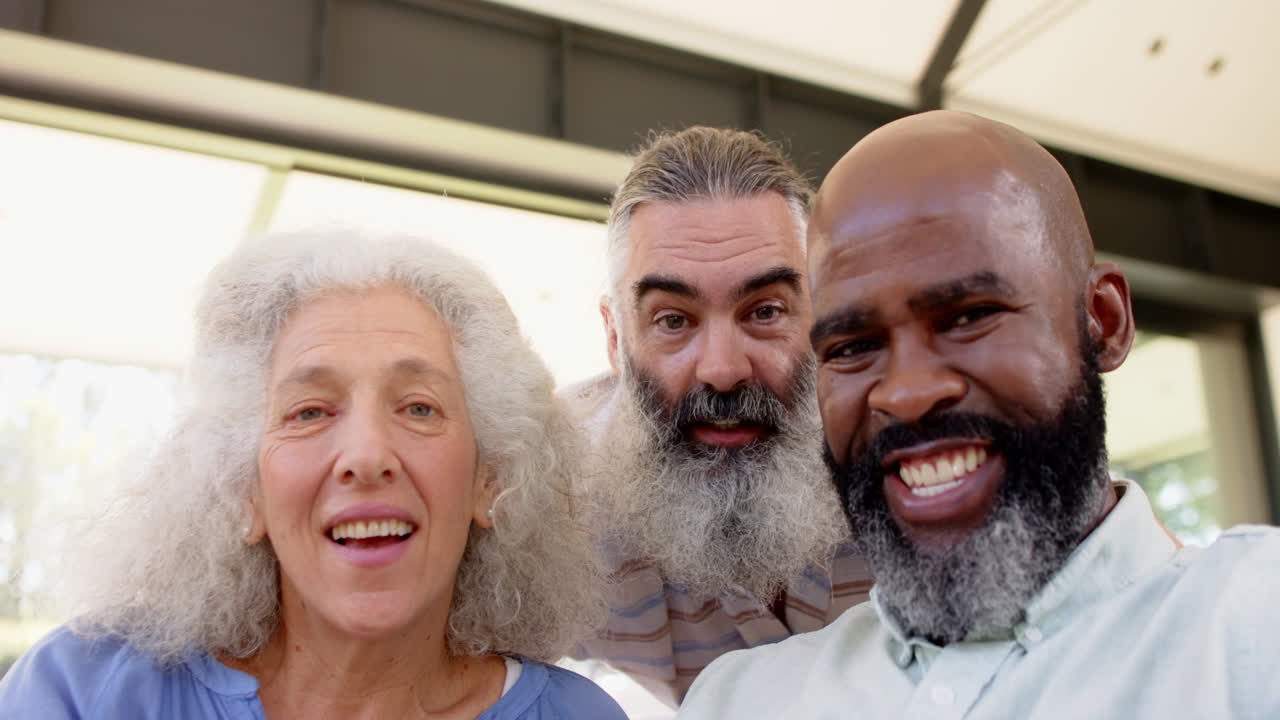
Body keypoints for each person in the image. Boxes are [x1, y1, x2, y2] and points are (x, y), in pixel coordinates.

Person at [677, 110, 1280, 718]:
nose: (908, 394)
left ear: (1105, 320)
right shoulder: (738, 700)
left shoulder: (1252, 623)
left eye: (968, 317)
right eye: (853, 347)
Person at [0, 230, 627, 719]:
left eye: (418, 407)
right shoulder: (86, 692)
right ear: (244, 489)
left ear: (489, 480)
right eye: (308, 412)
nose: (366, 453)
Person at [567, 126, 872, 705]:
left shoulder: (910, 452)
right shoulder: (553, 497)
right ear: (614, 339)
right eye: (673, 320)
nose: (723, 369)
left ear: (826, 315)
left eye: (764, 310)